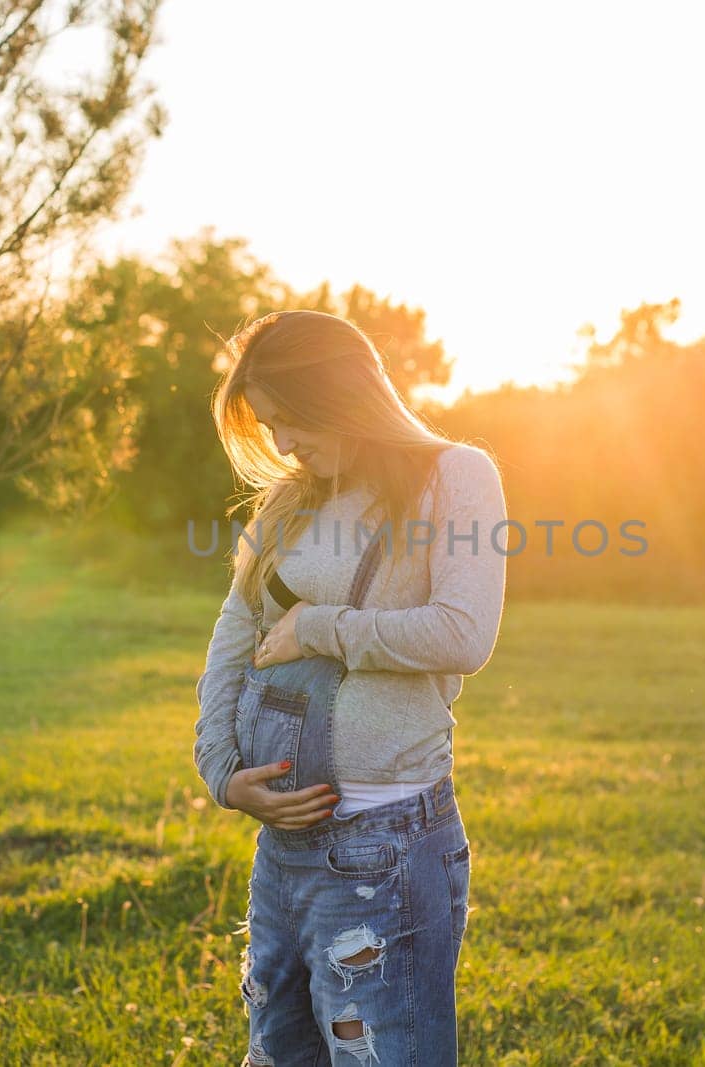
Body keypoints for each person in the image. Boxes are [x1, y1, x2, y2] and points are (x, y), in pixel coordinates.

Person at [193, 309, 508, 1066]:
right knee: (277, 1056)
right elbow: (233, 637)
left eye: (290, 419)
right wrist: (222, 774)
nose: (282, 444)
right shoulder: (288, 501)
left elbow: (464, 633)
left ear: (339, 394)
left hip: (386, 846)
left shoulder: (454, 475)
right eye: (268, 426)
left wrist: (321, 627)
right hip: (282, 854)